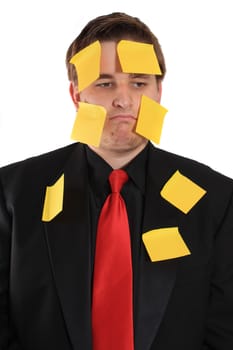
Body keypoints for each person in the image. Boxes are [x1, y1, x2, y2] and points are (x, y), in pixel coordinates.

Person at [0, 12, 233, 350]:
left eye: (138, 83)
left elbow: (225, 329)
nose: (123, 99)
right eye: (105, 83)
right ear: (77, 95)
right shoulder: (13, 194)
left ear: (158, 92)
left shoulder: (216, 200)